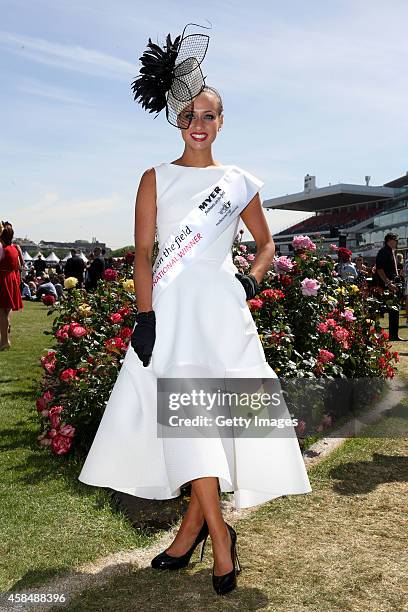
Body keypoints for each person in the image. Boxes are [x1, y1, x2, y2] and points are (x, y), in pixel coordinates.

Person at [78, 23, 312, 597]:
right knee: (188, 424)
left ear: (221, 122)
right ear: (176, 122)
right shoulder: (153, 179)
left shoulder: (239, 184)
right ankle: (219, 536)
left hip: (223, 315)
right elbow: (142, 257)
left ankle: (193, 533)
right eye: (188, 116)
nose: (198, 125)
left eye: (208, 115)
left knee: (209, 424)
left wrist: (252, 281)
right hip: (173, 315)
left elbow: (265, 246)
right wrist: (144, 317)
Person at [374, 233, 405, 341]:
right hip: (386, 286)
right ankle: (379, 334)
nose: (396, 242)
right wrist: (388, 283)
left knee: (394, 311)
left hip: (391, 285)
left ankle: (393, 335)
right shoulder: (384, 252)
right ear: (389, 241)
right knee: (381, 311)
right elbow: (379, 269)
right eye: (395, 240)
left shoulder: (390, 252)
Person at [0, 223, 23, 349]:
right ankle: (5, 339)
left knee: (1, 311)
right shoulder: (14, 248)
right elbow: (18, 266)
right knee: (7, 309)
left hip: (2, 278)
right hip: (11, 278)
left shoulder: (3, 249)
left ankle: (4, 341)